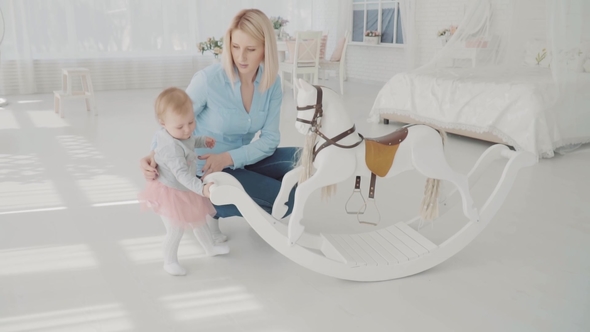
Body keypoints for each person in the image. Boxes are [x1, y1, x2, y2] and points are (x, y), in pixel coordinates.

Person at [139, 9, 298, 243]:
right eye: (235, 47)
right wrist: (152, 154)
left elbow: (270, 140)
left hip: (236, 161)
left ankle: (250, 196)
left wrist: (229, 158)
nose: (241, 57)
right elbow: (173, 122)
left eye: (251, 49)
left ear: (266, 49)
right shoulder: (209, 80)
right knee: (286, 200)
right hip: (205, 171)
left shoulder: (271, 82)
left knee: (302, 159)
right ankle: (210, 209)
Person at [139, 87, 230, 277]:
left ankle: (210, 247)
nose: (187, 129)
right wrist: (202, 188)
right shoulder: (169, 147)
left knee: (199, 222)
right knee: (175, 229)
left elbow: (188, 141)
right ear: (163, 124)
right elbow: (181, 174)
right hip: (171, 191)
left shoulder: (179, 135)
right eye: (180, 127)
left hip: (184, 188)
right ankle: (169, 261)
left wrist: (203, 141)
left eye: (191, 122)